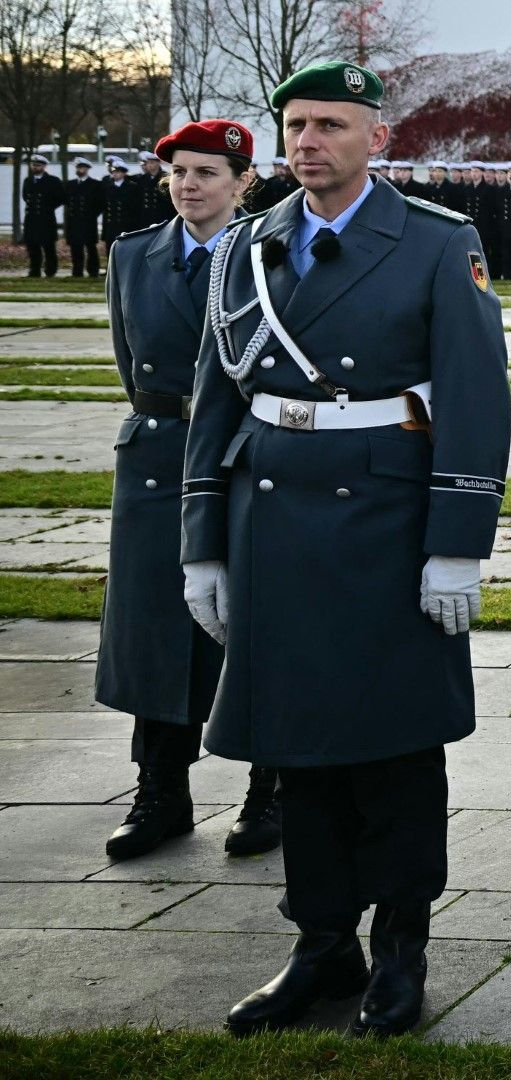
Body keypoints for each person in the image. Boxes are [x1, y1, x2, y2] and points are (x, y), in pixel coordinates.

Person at [184, 60, 511, 1039]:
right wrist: (203, 543)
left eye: (331, 123)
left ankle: (402, 948)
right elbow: (216, 404)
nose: (309, 141)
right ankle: (323, 945)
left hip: (389, 521)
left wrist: (458, 542)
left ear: (379, 136)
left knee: (396, 749)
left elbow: (475, 401)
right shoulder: (248, 247)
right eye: (296, 123)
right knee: (299, 749)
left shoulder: (435, 244)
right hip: (274, 522)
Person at [98, 119, 280, 863]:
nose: (188, 185)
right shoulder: (134, 255)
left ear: (243, 183)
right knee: (153, 630)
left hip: (243, 455)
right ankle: (161, 789)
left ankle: (271, 789)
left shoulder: (270, 252)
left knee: (259, 625)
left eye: (207, 172)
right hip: (157, 456)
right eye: (177, 171)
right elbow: (128, 359)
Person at [21, 154, 64, 277]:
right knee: (32, 246)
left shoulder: (53, 181)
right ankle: (34, 270)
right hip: (31, 219)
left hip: (46, 218)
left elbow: (60, 198)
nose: (35, 167)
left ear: (44, 166)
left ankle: (50, 270)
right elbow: (25, 197)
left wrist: (48, 207)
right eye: (33, 165)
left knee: (48, 246)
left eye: (38, 165)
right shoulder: (28, 181)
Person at [64, 157, 103, 276]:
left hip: (88, 221)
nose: (80, 170)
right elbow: (67, 201)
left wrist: (91, 215)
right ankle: (77, 271)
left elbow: (100, 203)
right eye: (78, 167)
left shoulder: (95, 184)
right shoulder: (70, 184)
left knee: (91, 247)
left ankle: (93, 270)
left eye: (83, 168)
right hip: (74, 221)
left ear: (87, 169)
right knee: (75, 247)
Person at [101, 158, 137, 248]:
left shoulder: (131, 187)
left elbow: (135, 209)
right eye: (113, 171)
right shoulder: (107, 187)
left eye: (118, 171)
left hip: (126, 226)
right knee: (110, 250)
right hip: (111, 226)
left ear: (124, 173)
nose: (115, 174)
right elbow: (105, 209)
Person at [135, 152, 172, 228]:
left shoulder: (165, 178)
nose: (149, 165)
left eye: (152, 162)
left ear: (158, 163)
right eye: (148, 163)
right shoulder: (142, 179)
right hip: (145, 217)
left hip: (161, 216)